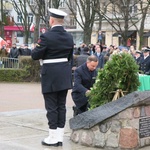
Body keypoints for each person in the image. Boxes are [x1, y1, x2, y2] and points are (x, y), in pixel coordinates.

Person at [31, 8, 74, 147]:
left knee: (51, 107)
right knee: (61, 106)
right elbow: (69, 57)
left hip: (50, 74)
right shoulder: (69, 37)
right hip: (63, 73)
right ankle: (59, 137)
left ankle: (52, 137)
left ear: (52, 20)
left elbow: (35, 55)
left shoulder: (46, 37)